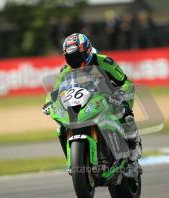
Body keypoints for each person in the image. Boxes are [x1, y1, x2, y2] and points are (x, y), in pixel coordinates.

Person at [42, 33, 142, 177]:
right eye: (71, 57)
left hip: (112, 97)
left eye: (78, 56)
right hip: (87, 100)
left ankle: (133, 156)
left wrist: (119, 94)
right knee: (61, 126)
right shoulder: (65, 71)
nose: (74, 60)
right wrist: (49, 103)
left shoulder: (104, 62)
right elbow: (55, 92)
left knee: (124, 114)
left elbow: (126, 83)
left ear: (87, 51)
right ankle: (76, 163)